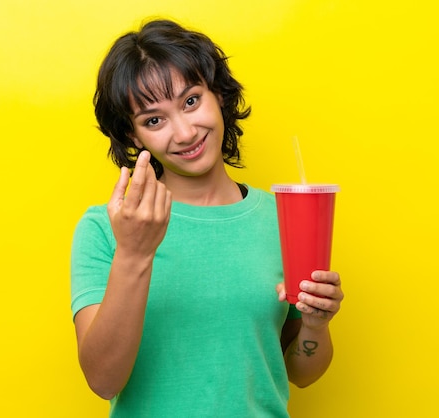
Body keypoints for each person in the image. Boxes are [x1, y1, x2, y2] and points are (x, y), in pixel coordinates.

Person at [71, 18, 344, 417]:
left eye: (191, 101)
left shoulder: (282, 217)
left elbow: (300, 373)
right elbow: (103, 381)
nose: (184, 132)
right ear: (134, 137)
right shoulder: (104, 230)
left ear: (217, 94)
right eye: (153, 120)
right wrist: (133, 253)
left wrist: (316, 326)